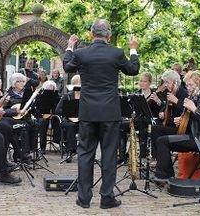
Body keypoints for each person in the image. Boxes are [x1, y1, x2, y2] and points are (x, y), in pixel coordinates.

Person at [63, 19, 139, 209]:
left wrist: (70, 47)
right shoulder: (116, 53)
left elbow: (67, 67)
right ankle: (106, 197)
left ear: (91, 34)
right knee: (109, 155)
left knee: (85, 154)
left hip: (88, 112)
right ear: (109, 36)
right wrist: (133, 48)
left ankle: (84, 198)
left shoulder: (81, 53)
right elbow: (133, 70)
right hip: (109, 113)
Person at [154, 71, 200, 180]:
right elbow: (193, 122)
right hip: (191, 135)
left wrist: (194, 109)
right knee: (161, 138)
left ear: (199, 85)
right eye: (187, 85)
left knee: (162, 141)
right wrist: (181, 120)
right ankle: (166, 175)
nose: (188, 87)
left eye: (191, 85)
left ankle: (164, 177)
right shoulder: (194, 98)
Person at [150, 70, 188, 158]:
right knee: (154, 127)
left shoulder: (183, 93)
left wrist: (176, 100)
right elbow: (167, 107)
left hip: (181, 128)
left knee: (157, 132)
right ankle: (157, 157)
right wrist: (163, 112)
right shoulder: (170, 92)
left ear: (175, 82)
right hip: (170, 125)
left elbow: (186, 111)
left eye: (167, 82)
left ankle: (160, 158)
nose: (166, 85)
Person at [55, 75, 81, 162]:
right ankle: (70, 151)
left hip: (81, 120)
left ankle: (84, 151)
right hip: (68, 120)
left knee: (88, 126)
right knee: (71, 126)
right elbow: (58, 110)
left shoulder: (86, 96)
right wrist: (69, 115)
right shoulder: (67, 96)